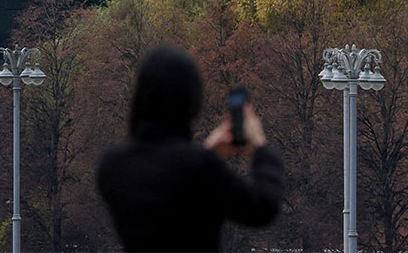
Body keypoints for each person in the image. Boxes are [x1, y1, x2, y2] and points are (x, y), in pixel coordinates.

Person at [96, 45, 284, 252]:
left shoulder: (112, 164)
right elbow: (262, 209)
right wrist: (260, 147)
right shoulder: (200, 168)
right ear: (192, 101)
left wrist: (207, 153)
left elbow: (168, 192)